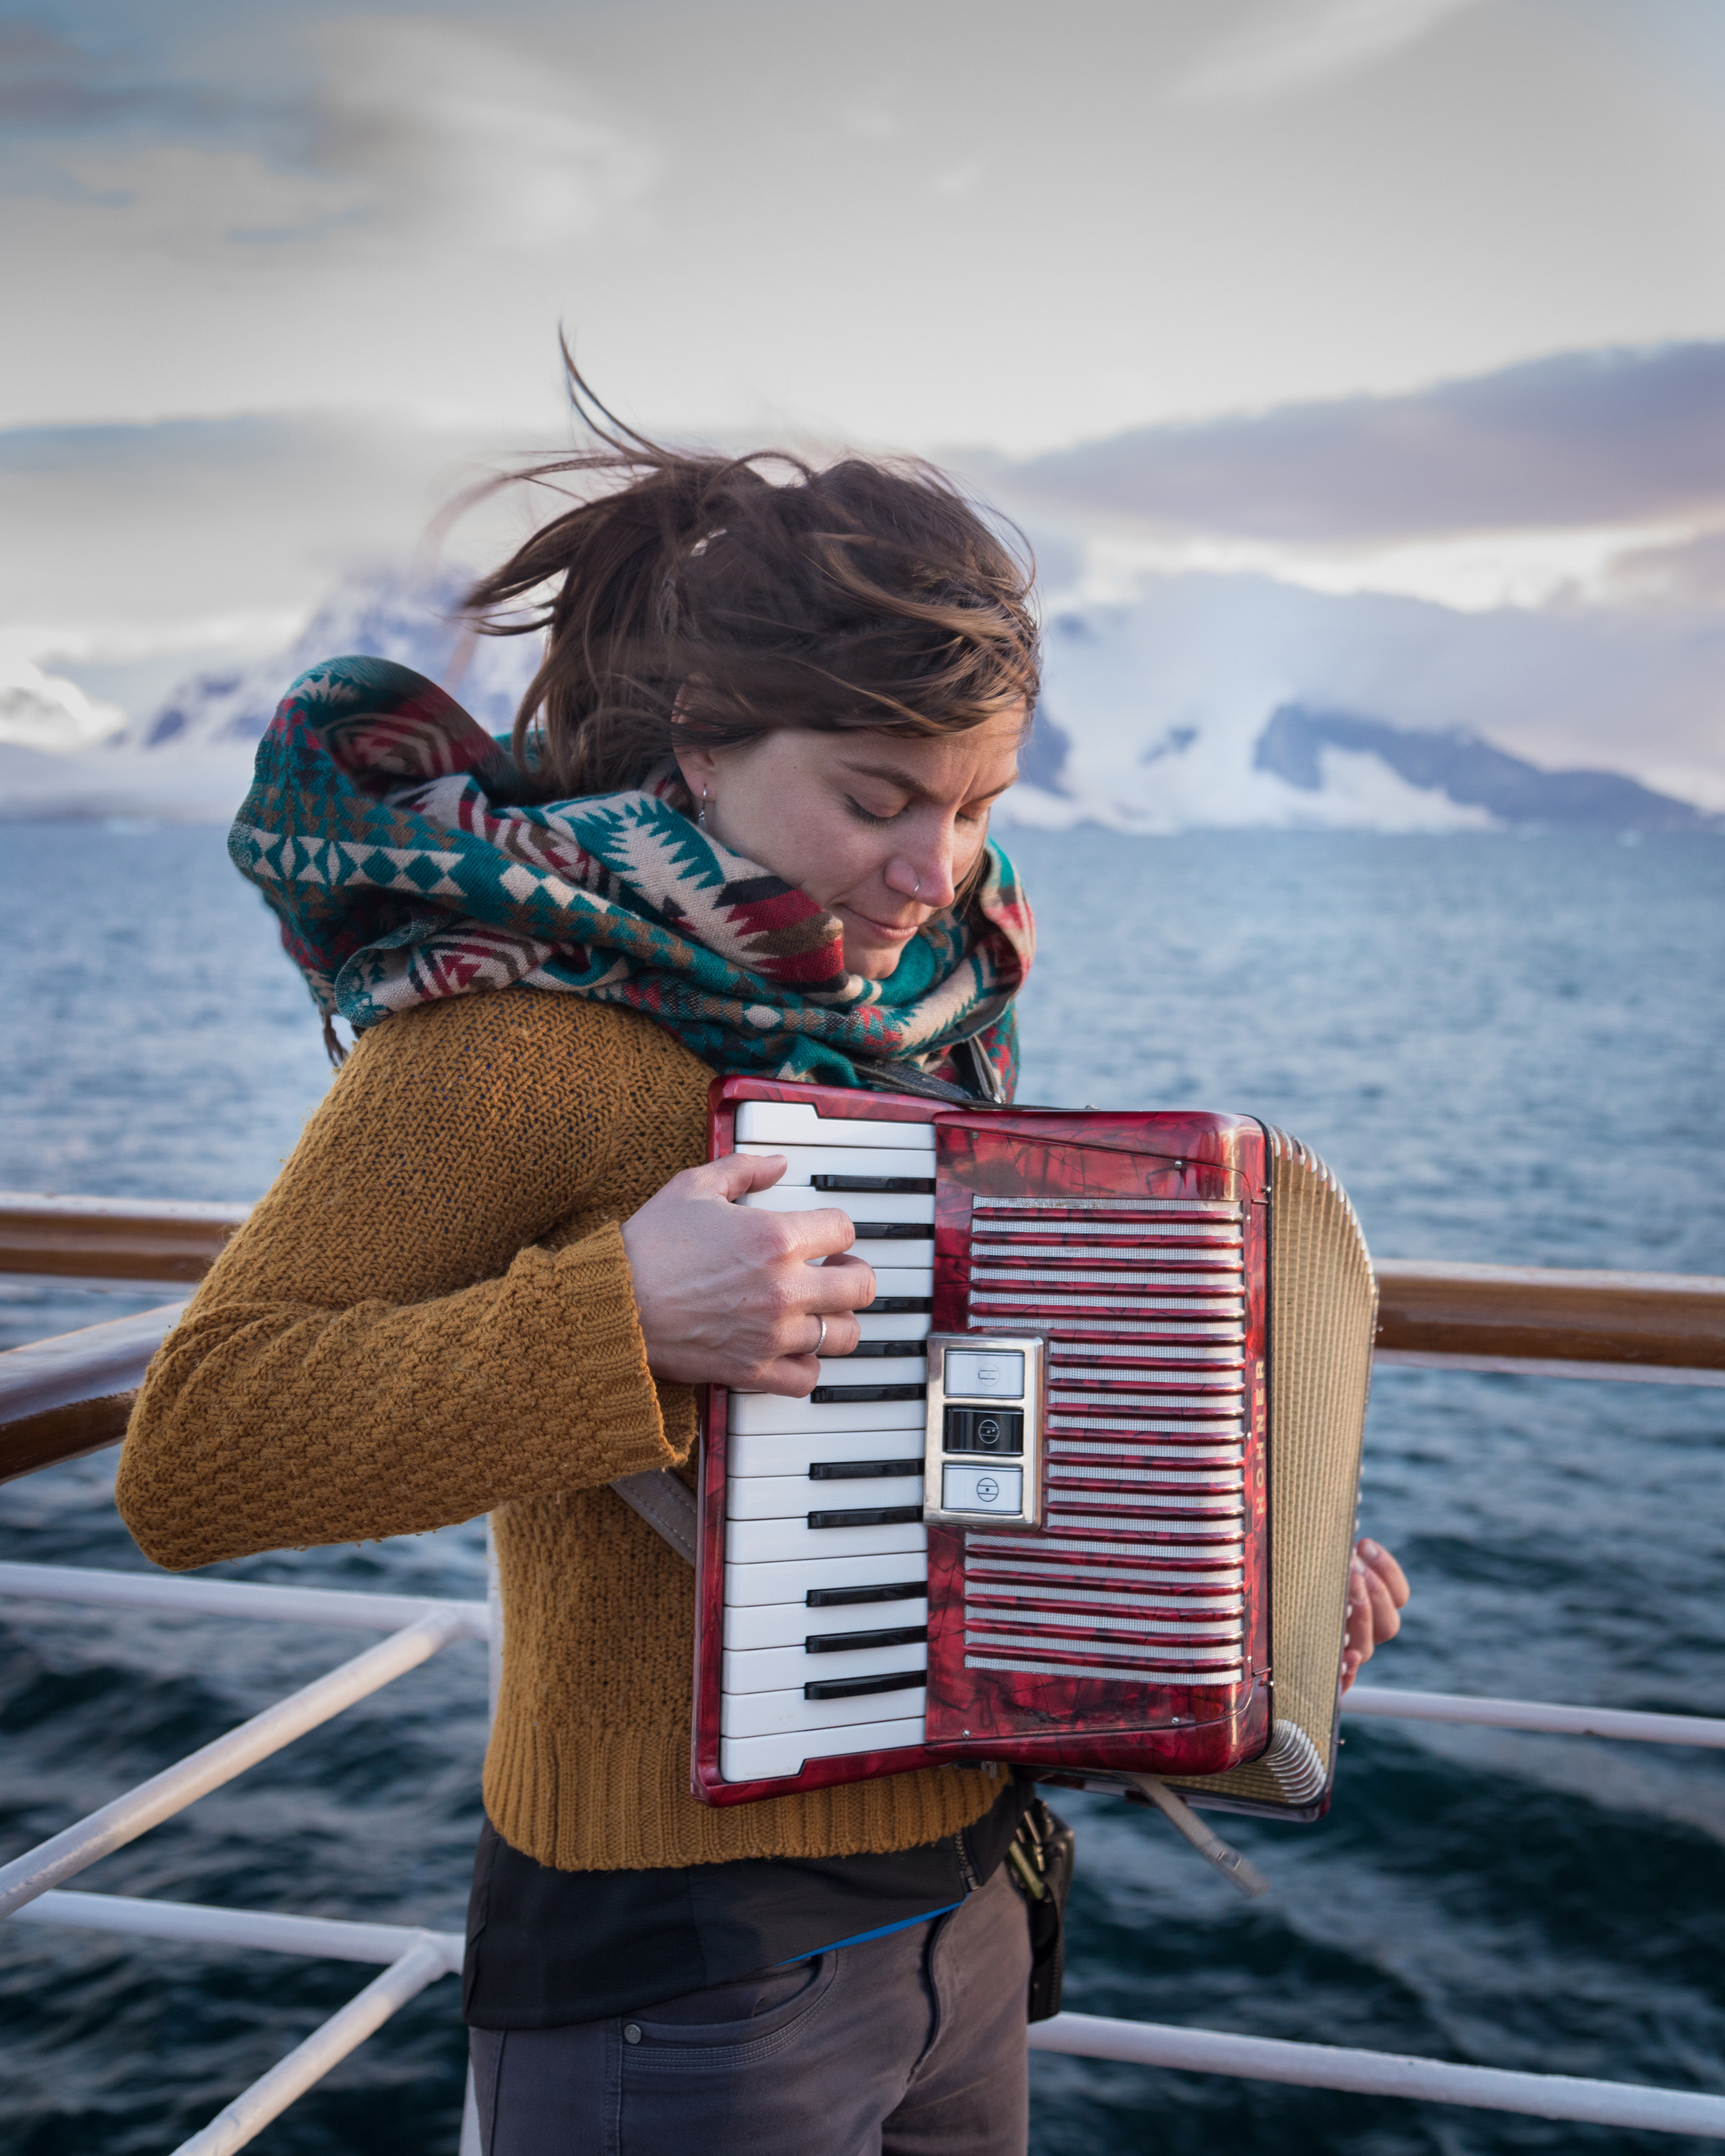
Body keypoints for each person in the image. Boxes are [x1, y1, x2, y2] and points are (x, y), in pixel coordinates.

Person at [115, 379, 1408, 2156]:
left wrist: (1239, 1565)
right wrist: (620, 1318)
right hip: (683, 1962)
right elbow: (195, 1449)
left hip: (967, 1906)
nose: (929, 870)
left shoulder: (922, 1019)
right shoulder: (513, 1034)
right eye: (879, 797)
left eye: (971, 808)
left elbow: (980, 1434)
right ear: (704, 748)